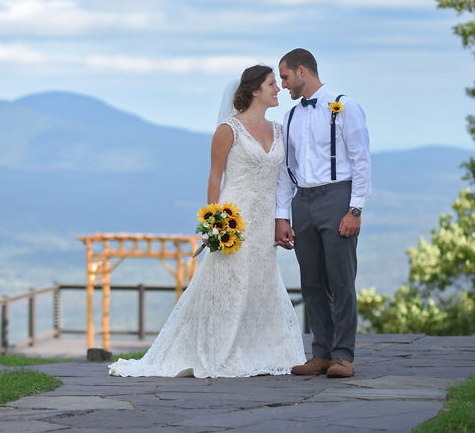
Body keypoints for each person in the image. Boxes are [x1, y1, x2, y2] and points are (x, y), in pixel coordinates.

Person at [108, 65, 305, 378]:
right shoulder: (229, 130)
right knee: (230, 284)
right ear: (255, 90)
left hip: (265, 219)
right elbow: (215, 178)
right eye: (271, 84)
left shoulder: (279, 130)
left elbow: (283, 179)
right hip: (235, 218)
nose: (277, 89)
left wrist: (283, 218)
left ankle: (260, 350)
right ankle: (219, 349)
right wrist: (216, 225)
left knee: (261, 282)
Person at [275, 48, 371, 379]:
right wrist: (282, 216)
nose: (283, 85)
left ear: (303, 71)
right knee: (312, 281)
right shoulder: (289, 117)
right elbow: (286, 171)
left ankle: (343, 355)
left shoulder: (345, 106)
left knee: (341, 280)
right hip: (303, 201)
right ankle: (321, 352)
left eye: (285, 77)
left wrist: (355, 208)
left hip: (337, 197)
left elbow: (361, 160)